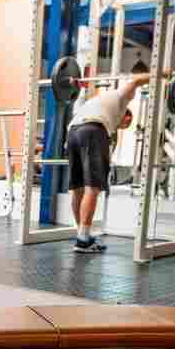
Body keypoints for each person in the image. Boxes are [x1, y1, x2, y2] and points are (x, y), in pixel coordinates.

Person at [65, 74, 149, 252]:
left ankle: (82, 235)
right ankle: (83, 239)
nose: (122, 126)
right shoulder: (121, 97)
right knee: (92, 188)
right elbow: (135, 81)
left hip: (72, 132)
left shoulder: (98, 104)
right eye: (125, 125)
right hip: (92, 131)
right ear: (127, 118)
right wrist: (161, 74)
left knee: (78, 188)